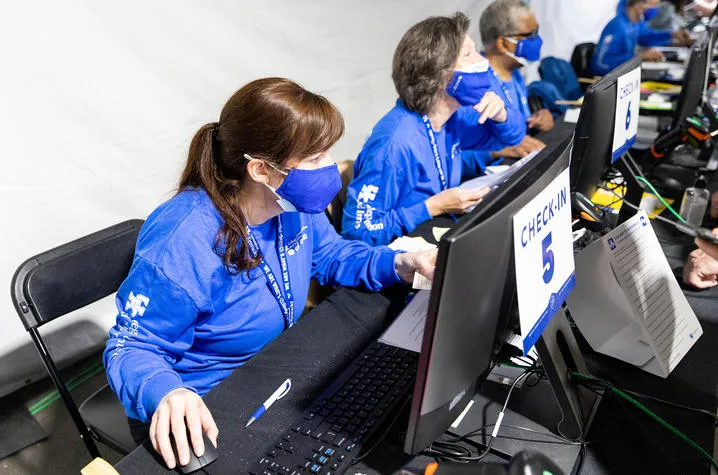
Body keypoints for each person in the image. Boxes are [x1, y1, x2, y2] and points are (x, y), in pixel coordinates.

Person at [103, 78, 437, 470]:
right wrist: (166, 394)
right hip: (202, 407)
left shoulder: (291, 205)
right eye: (314, 158)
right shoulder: (183, 240)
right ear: (260, 169)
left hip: (269, 372)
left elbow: (330, 255)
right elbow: (132, 348)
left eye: (327, 153)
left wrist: (399, 264)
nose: (329, 168)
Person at [341, 13, 526, 246]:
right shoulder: (395, 144)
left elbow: (511, 137)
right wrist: (432, 206)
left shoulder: (452, 117)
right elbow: (359, 233)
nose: (483, 61)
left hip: (434, 238)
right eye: (469, 54)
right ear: (441, 76)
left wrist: (502, 115)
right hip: (399, 262)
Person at [462, 0, 550, 179]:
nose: (537, 40)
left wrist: (539, 119)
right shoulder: (473, 86)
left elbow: (519, 129)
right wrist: (498, 150)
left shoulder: (515, 74)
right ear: (503, 43)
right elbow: (456, 159)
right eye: (530, 35)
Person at [591, 0, 693, 76]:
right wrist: (640, 56)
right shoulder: (617, 27)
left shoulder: (635, 23)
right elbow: (600, 65)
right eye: (653, 4)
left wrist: (673, 35)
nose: (656, 8)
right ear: (639, 4)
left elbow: (647, 36)